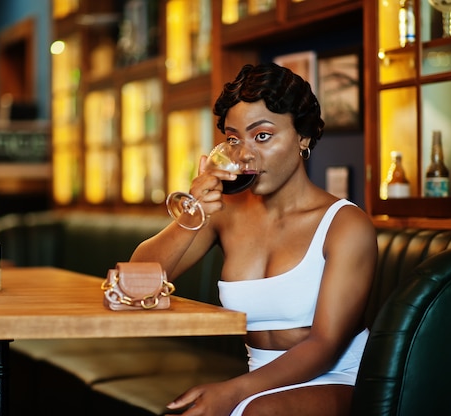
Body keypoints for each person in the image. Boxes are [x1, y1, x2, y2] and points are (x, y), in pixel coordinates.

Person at [130, 62, 377, 416]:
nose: (244, 154)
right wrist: (193, 213)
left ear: (302, 137)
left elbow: (324, 345)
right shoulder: (224, 213)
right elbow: (136, 282)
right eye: (233, 139)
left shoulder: (345, 225)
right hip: (260, 384)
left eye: (262, 136)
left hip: (337, 378)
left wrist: (231, 393)